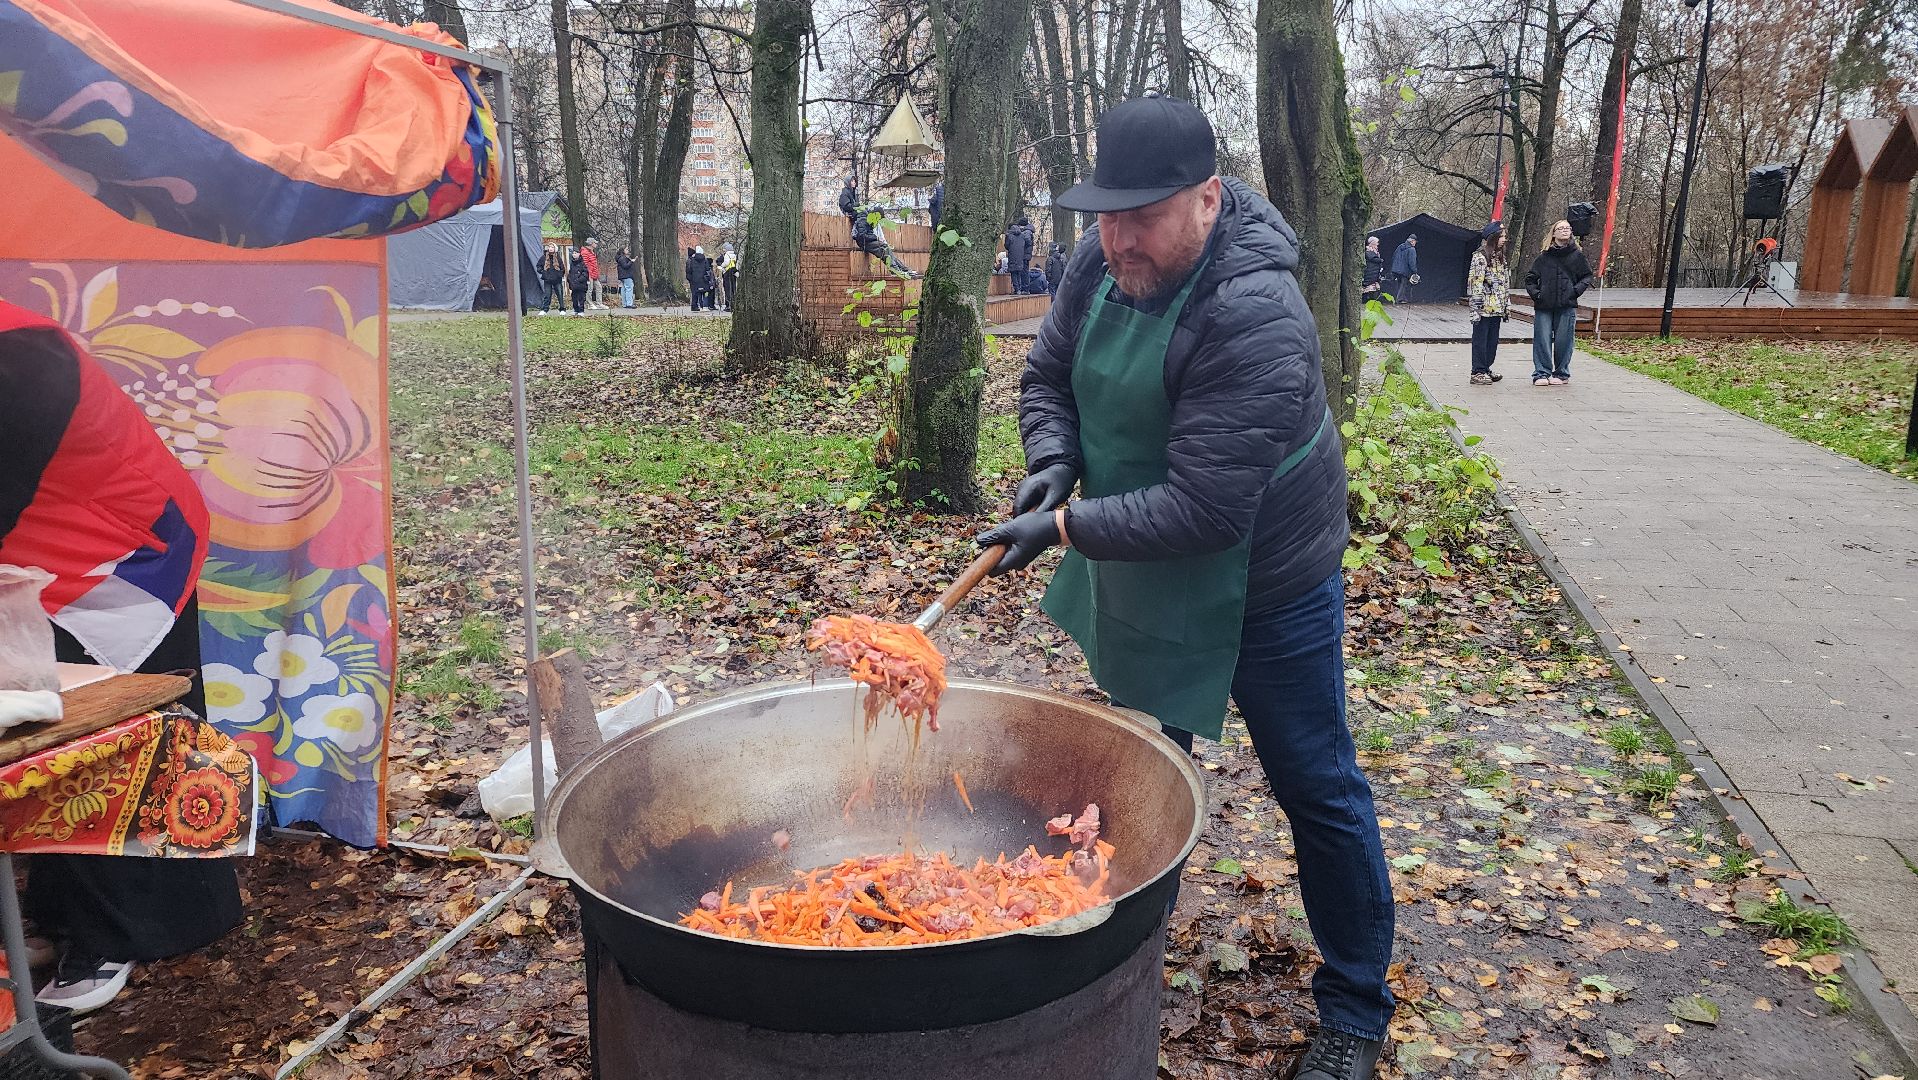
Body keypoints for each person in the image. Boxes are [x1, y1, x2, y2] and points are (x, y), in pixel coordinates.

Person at [974, 95, 1392, 1080]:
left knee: (1315, 784)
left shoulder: (1254, 308)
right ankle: (1119, 938)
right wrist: (1053, 460)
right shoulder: (1103, 257)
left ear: (1207, 199)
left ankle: (1356, 1009)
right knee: (1133, 767)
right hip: (1140, 555)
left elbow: (1207, 509)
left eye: (1144, 215)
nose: (1119, 239)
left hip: (1267, 580)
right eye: (1105, 215)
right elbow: (1047, 376)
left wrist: (1066, 525)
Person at [0, 300, 243, 1014]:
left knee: (108, 735)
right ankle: (65, 909)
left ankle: (126, 929)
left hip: (123, 551)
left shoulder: (20, 357)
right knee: (32, 736)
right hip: (37, 559)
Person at [1524, 219, 1592, 386]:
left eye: (1567, 228)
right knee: (1542, 339)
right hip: (1544, 305)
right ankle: (1541, 373)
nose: (1564, 230)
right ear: (1553, 233)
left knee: (1564, 340)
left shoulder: (1577, 255)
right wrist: (1537, 295)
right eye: (1561, 228)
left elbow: (1587, 276)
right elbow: (1530, 279)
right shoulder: (1544, 256)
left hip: (1566, 304)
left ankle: (1561, 373)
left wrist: (1575, 291)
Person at [1465, 223, 1509, 384]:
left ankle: (1486, 367)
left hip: (1496, 307)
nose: (1504, 239)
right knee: (1480, 340)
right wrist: (1475, 309)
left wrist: (1506, 305)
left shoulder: (1500, 258)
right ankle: (1477, 370)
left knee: (1492, 341)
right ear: (1493, 237)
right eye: (1502, 236)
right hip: (1483, 308)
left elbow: (1505, 283)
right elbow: (1475, 284)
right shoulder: (1480, 257)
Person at [852, 204, 917, 278]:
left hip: (869, 241)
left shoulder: (869, 219)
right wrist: (876, 238)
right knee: (884, 247)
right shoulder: (863, 219)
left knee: (886, 250)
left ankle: (904, 269)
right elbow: (862, 235)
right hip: (863, 243)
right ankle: (895, 270)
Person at [1004, 216, 1035, 293]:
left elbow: (1027, 242)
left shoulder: (1026, 232)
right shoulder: (1027, 231)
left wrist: (1021, 247)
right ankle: (1023, 289)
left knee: (1024, 272)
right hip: (1024, 254)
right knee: (1022, 271)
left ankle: (1024, 289)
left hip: (1024, 254)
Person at [1386, 233, 1418, 303]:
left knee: (1399, 284)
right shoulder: (1412, 249)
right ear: (1412, 241)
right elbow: (1412, 262)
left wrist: (1394, 268)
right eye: (1415, 241)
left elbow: (1394, 257)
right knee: (1404, 284)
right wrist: (1414, 271)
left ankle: (1401, 298)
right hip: (1405, 270)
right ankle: (1399, 299)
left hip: (1396, 269)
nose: (1415, 243)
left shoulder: (1400, 246)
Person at [538, 246, 565, 314]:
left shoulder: (558, 257)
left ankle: (562, 309)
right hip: (547, 280)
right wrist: (543, 273)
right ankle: (544, 310)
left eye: (552, 247)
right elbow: (538, 266)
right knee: (547, 295)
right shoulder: (544, 257)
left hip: (557, 279)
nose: (550, 248)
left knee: (560, 294)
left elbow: (562, 268)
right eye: (549, 247)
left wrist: (559, 274)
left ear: (555, 249)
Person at [581, 237, 603, 309]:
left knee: (599, 287)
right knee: (589, 289)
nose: (596, 244)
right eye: (595, 243)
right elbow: (584, 264)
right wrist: (587, 274)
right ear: (591, 243)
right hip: (588, 274)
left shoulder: (592, 252)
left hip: (594, 274)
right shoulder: (585, 252)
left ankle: (599, 303)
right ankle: (589, 304)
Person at [718, 242, 739, 311]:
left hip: (727, 272)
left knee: (727, 289)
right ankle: (733, 304)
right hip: (733, 272)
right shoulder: (734, 255)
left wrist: (722, 265)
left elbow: (726, 263)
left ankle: (728, 306)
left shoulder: (727, 255)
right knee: (733, 289)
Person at [567, 250, 589, 315]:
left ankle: (581, 311)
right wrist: (569, 279)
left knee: (581, 298)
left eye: (575, 253)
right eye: (573, 253)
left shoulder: (583, 263)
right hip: (573, 284)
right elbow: (570, 273)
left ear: (579, 254)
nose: (574, 254)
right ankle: (575, 310)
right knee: (574, 298)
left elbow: (585, 274)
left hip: (581, 284)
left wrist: (579, 280)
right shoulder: (572, 263)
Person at [1362, 236, 1383, 302]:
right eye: (1376, 243)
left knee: (1372, 288)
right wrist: (1380, 260)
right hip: (1370, 273)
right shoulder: (1369, 252)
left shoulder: (1375, 252)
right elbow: (1372, 258)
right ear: (1372, 244)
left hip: (1374, 273)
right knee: (1368, 288)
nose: (1377, 245)